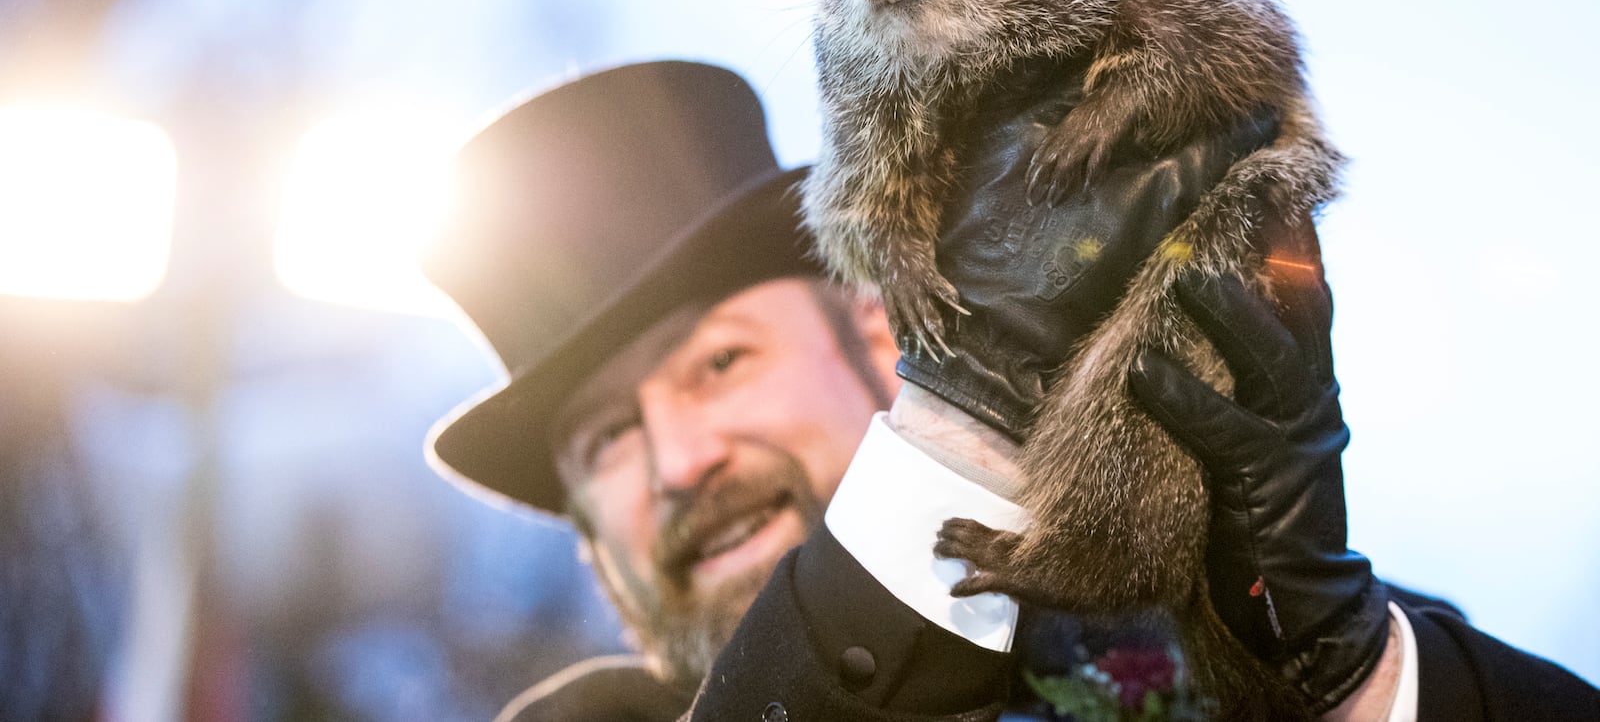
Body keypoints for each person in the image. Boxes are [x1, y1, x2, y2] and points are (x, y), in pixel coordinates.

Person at [419, 60, 1598, 721]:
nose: (680, 462)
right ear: (585, 540)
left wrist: (1350, 681)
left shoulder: (1234, 633)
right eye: (607, 440)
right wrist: (963, 433)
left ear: (883, 342)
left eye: (722, 363)